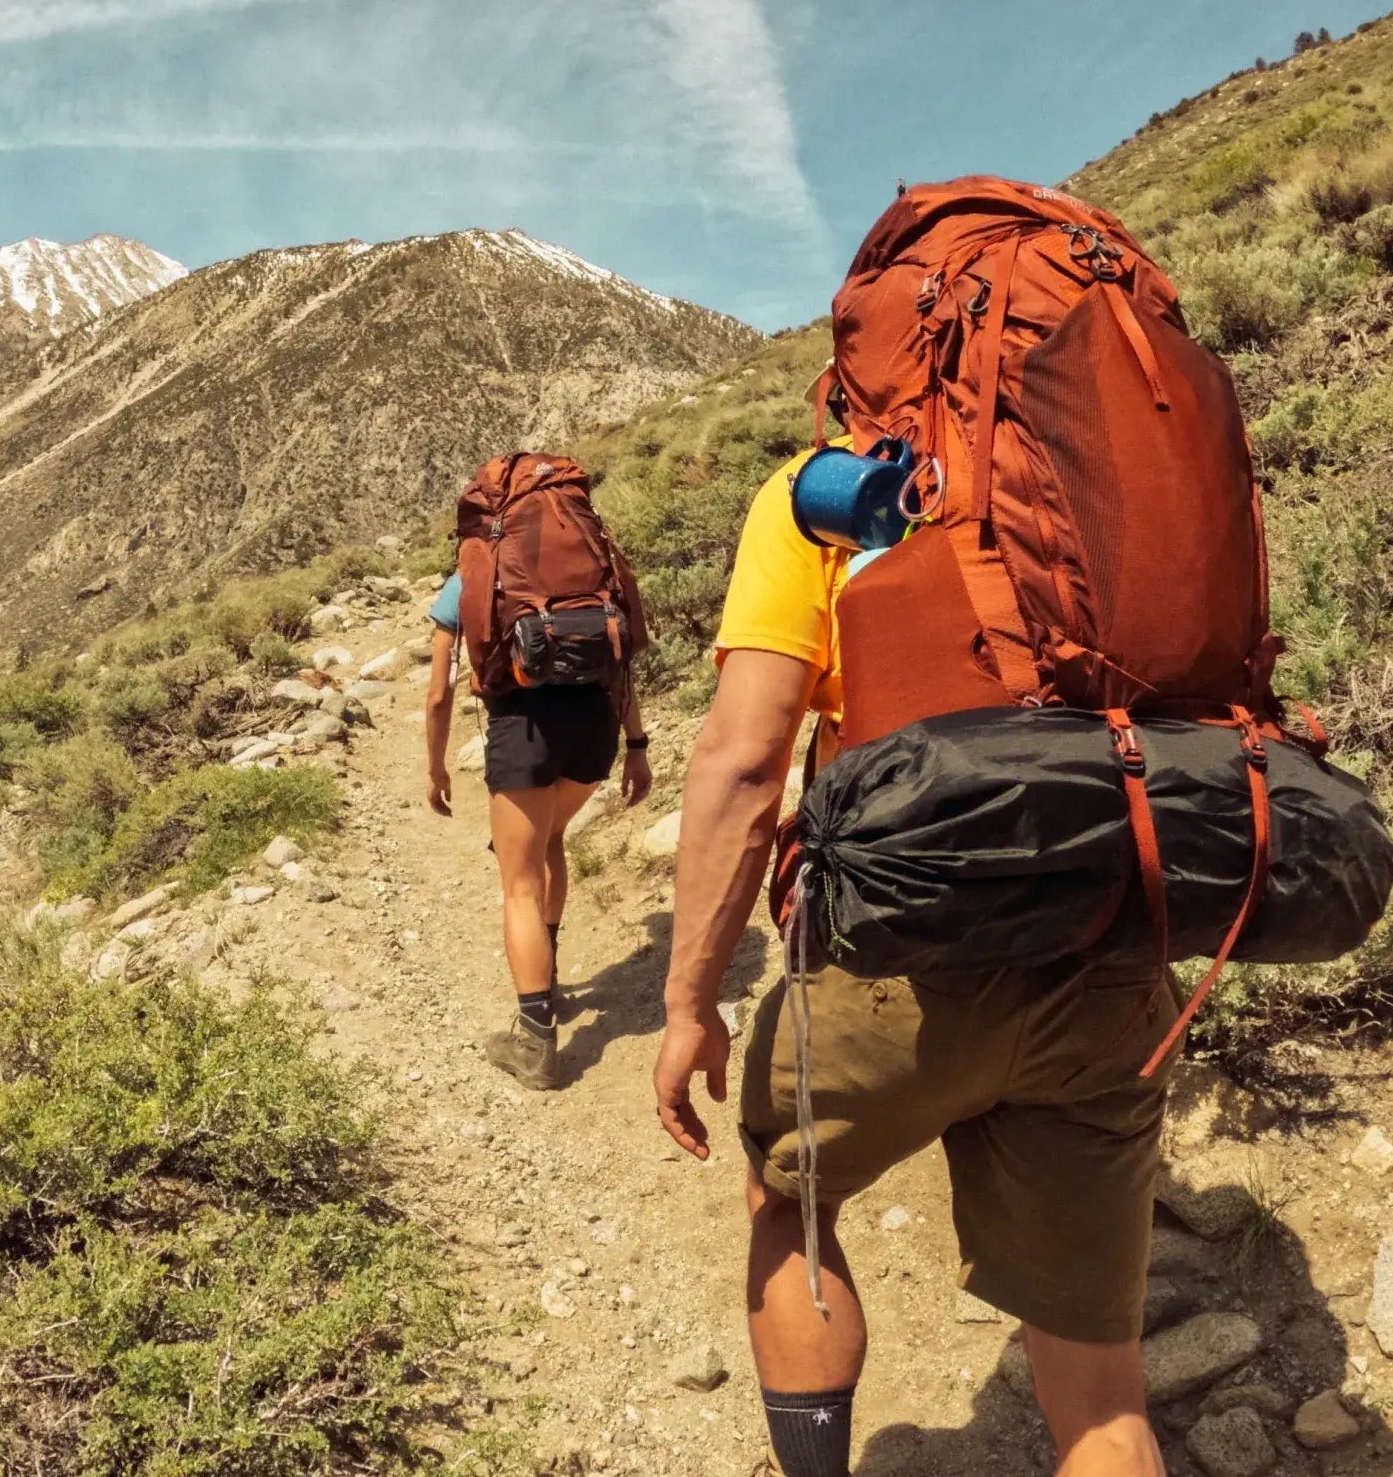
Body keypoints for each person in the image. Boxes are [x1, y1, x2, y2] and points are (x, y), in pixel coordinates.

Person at [649, 454, 1176, 1477]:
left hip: (889, 955)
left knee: (789, 1200)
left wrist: (688, 1001)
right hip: (1104, 945)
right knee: (1105, 1390)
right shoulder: (1116, 465)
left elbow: (746, 760)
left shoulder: (819, 494)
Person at [425, 568, 652, 1088]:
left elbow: (440, 692)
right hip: (595, 730)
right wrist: (636, 745)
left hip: (523, 732)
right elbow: (623, 668)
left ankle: (536, 1043)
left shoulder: (475, 571)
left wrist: (436, 767)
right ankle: (545, 980)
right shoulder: (593, 565)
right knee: (551, 838)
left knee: (519, 885)